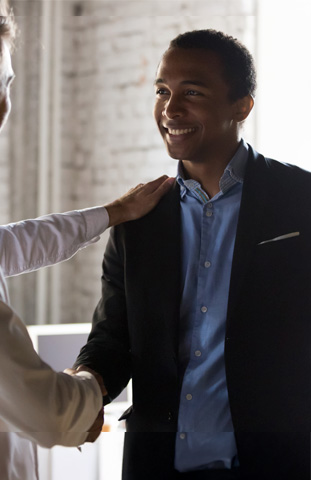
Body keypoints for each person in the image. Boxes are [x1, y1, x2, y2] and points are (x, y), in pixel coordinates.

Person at [0, 1, 174, 479]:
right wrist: (93, 379)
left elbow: (0, 247)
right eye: (9, 84)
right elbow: (50, 414)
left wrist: (111, 214)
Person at [75, 28, 311, 480]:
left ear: (242, 105)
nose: (170, 108)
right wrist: (87, 384)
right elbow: (113, 336)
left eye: (193, 92)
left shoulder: (300, 200)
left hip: (275, 461)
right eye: (162, 91)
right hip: (158, 464)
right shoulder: (138, 218)